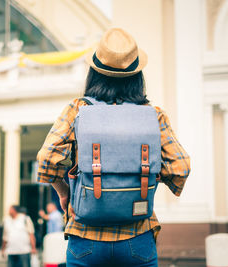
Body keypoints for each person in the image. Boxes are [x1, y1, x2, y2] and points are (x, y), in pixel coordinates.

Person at [37, 28, 191, 266]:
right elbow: (180, 167)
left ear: (94, 73)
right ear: (137, 75)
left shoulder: (77, 110)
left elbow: (47, 159)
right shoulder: (154, 115)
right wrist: (143, 177)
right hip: (138, 236)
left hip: (85, 237)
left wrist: (64, 192)